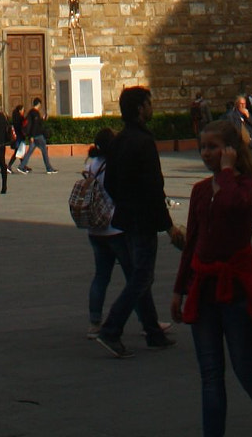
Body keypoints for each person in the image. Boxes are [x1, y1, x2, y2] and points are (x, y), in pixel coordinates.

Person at [172, 115, 252, 437]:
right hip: (203, 288)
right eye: (203, 148)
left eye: (214, 148)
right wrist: (179, 288)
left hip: (233, 290)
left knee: (245, 370)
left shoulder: (245, 187)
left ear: (230, 151)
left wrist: (225, 171)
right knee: (210, 374)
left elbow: (231, 203)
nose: (206, 153)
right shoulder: (198, 191)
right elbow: (192, 243)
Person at [94, 84, 183, 355]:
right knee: (142, 277)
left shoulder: (120, 139)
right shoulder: (144, 142)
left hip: (125, 218)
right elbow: (154, 188)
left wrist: (125, 202)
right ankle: (111, 330)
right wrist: (169, 227)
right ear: (140, 109)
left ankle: (153, 332)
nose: (151, 107)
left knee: (139, 275)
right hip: (143, 220)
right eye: (149, 103)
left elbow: (109, 182)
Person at [83, 126, 125, 337]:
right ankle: (147, 322)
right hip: (114, 226)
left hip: (94, 226)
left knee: (101, 276)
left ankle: (94, 323)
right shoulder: (113, 165)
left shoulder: (91, 164)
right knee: (134, 277)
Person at [18, 96, 54, 173]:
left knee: (29, 152)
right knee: (44, 151)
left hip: (33, 136)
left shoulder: (31, 112)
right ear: (38, 104)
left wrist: (42, 119)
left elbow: (33, 124)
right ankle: (49, 168)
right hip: (37, 135)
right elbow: (35, 125)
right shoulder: (35, 113)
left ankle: (21, 166)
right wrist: (32, 136)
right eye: (40, 105)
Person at [9, 99, 29, 173]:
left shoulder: (16, 117)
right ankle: (10, 166)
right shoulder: (20, 118)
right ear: (20, 111)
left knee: (19, 152)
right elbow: (22, 127)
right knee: (18, 152)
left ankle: (23, 165)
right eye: (23, 110)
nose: (24, 111)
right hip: (19, 137)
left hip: (18, 137)